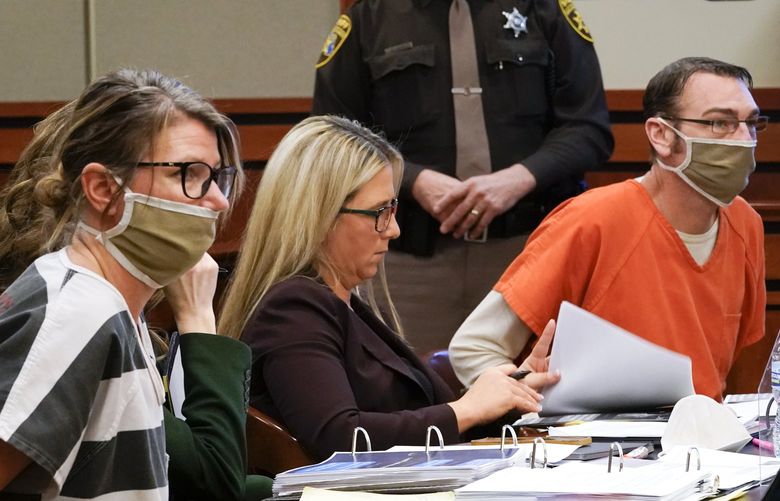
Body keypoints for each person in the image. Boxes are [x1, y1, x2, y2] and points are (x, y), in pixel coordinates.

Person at [218, 115, 560, 462]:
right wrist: (467, 409)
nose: (393, 230)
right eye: (380, 211)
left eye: (393, 208)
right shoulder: (294, 307)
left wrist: (508, 397)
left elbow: (424, 423)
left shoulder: (346, 304)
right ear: (320, 215)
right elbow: (340, 437)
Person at [0, 69, 270, 500]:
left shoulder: (118, 312)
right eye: (189, 174)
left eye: (217, 177)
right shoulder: (76, 314)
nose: (218, 202)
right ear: (104, 189)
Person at [449, 57, 767, 400]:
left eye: (750, 123)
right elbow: (473, 348)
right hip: (596, 445)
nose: (743, 139)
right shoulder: (592, 219)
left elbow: (735, 373)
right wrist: (525, 395)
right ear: (661, 135)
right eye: (720, 123)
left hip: (700, 442)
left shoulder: (746, 224)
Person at [311, 0, 614, 354]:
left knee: (535, 391)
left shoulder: (543, 9)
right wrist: (412, 179)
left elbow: (589, 129)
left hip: (528, 250)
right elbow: (332, 137)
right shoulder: (370, 18)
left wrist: (519, 178)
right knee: (408, 392)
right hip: (410, 260)